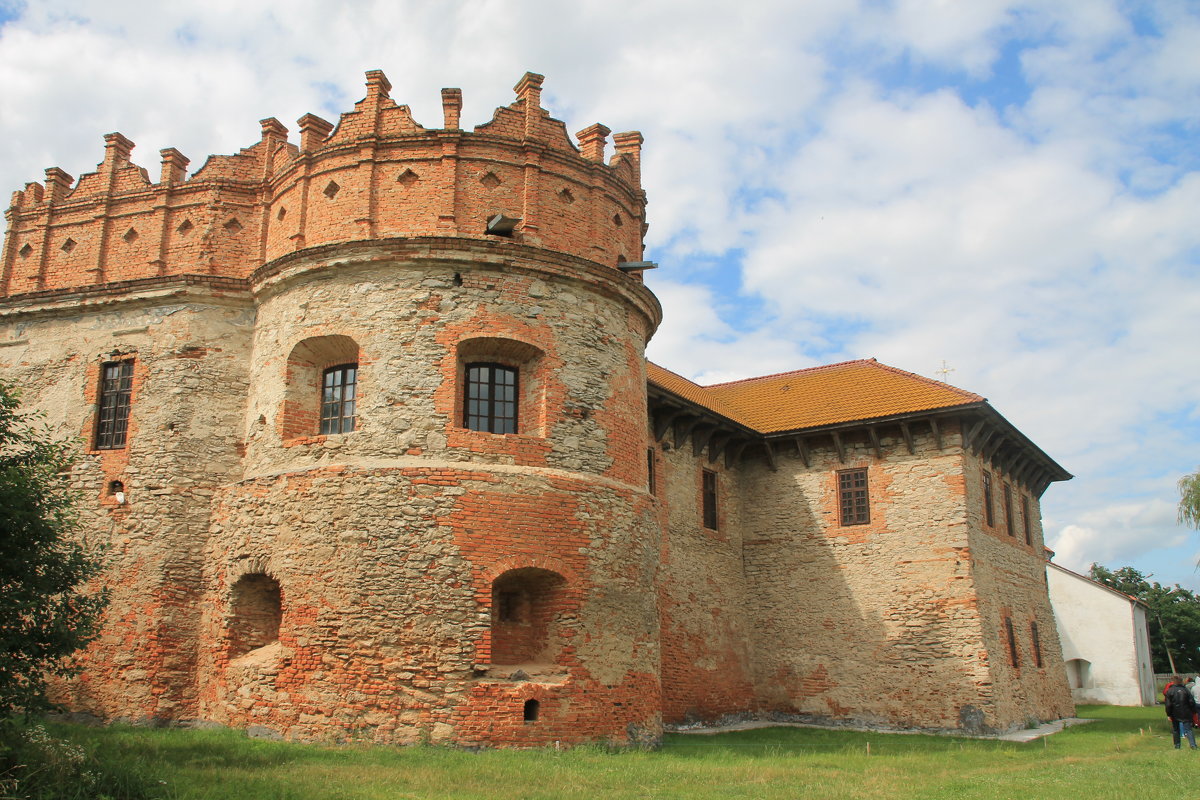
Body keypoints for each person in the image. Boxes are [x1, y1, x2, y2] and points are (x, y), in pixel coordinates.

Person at [1165, 675, 1198, 750]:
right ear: (1181, 681)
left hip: (1174, 712)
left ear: (1173, 681)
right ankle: (1193, 745)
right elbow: (1191, 702)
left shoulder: (1170, 691)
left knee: (1176, 729)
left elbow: (1168, 704)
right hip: (1186, 712)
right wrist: (1194, 711)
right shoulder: (1186, 690)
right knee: (1188, 729)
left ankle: (1177, 745)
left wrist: (1169, 714)